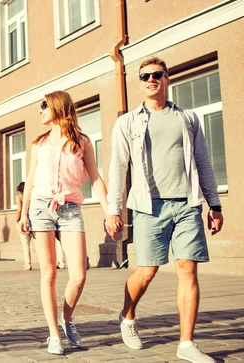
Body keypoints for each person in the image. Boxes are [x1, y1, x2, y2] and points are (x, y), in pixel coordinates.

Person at [106, 57, 223, 363]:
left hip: (187, 203)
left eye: (157, 75)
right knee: (147, 271)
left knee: (187, 268)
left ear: (167, 80)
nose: (151, 79)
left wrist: (215, 204)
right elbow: (118, 167)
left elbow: (203, 162)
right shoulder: (128, 122)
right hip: (148, 206)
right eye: (145, 76)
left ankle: (186, 343)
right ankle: (127, 315)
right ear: (140, 82)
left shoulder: (188, 118)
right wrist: (112, 209)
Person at [18, 91, 113, 355]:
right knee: (48, 273)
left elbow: (95, 178)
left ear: (59, 107)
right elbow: (30, 179)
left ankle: (67, 317)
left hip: (70, 209)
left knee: (79, 274)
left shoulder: (82, 142)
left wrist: (109, 211)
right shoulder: (39, 144)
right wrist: (24, 213)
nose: (40, 110)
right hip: (41, 207)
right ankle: (53, 335)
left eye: (44, 105)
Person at [15, 182, 66, 270]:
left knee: (26, 243)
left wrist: (17, 221)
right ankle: (61, 262)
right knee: (57, 241)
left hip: (26, 220)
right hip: (37, 218)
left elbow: (19, 210)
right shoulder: (34, 194)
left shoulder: (19, 197)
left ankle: (28, 264)